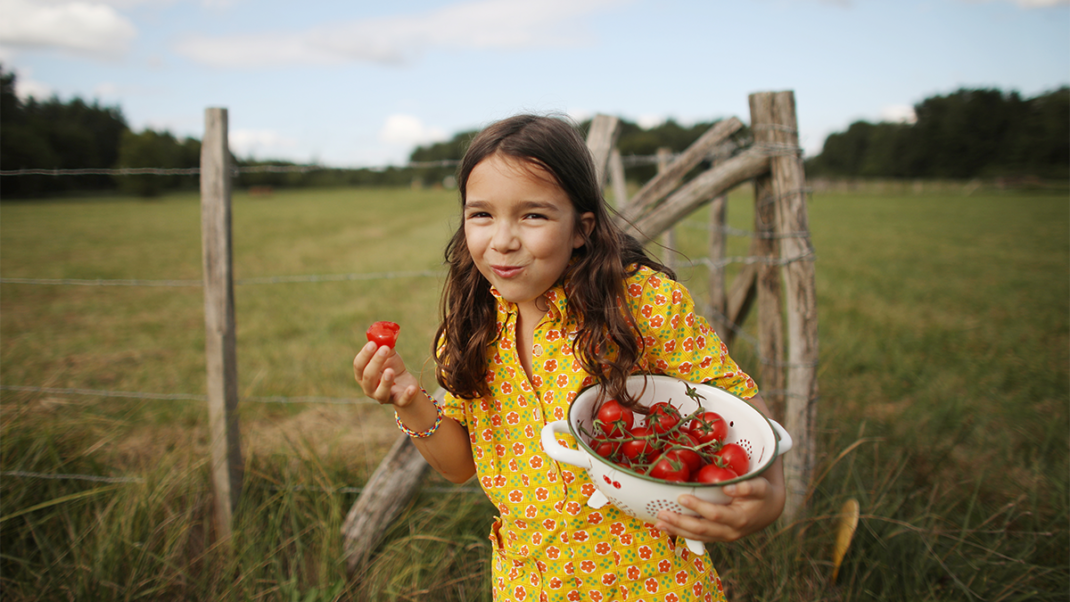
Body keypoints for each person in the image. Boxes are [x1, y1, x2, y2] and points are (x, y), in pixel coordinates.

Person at [354, 114, 785, 602]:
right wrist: (408, 398)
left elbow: (747, 419)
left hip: (651, 585)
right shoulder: (474, 326)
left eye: (532, 215)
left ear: (581, 229)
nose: (502, 240)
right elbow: (459, 467)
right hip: (529, 586)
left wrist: (767, 500)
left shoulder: (640, 303)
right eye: (481, 215)